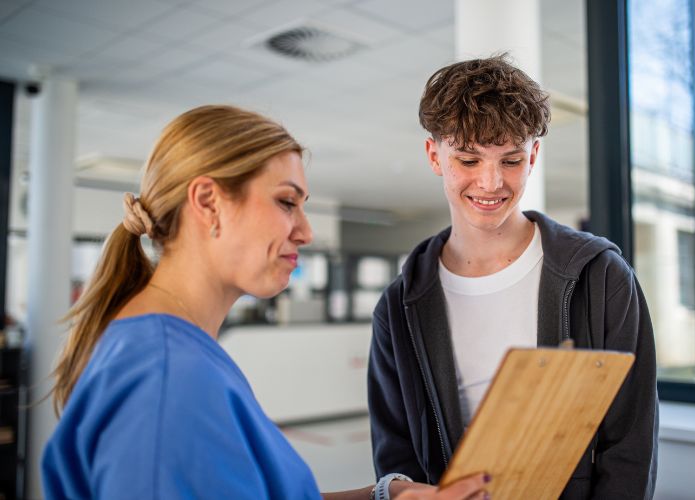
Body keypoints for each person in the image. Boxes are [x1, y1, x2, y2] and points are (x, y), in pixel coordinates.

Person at [42, 105, 490, 500]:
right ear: (208, 203)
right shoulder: (167, 378)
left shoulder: (177, 353)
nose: (305, 232)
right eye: (286, 202)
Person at [367, 56, 658, 499]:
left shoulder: (601, 277)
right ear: (434, 156)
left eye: (510, 160)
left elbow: (630, 445)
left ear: (533, 156)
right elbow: (396, 459)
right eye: (468, 159)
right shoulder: (399, 306)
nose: (490, 182)